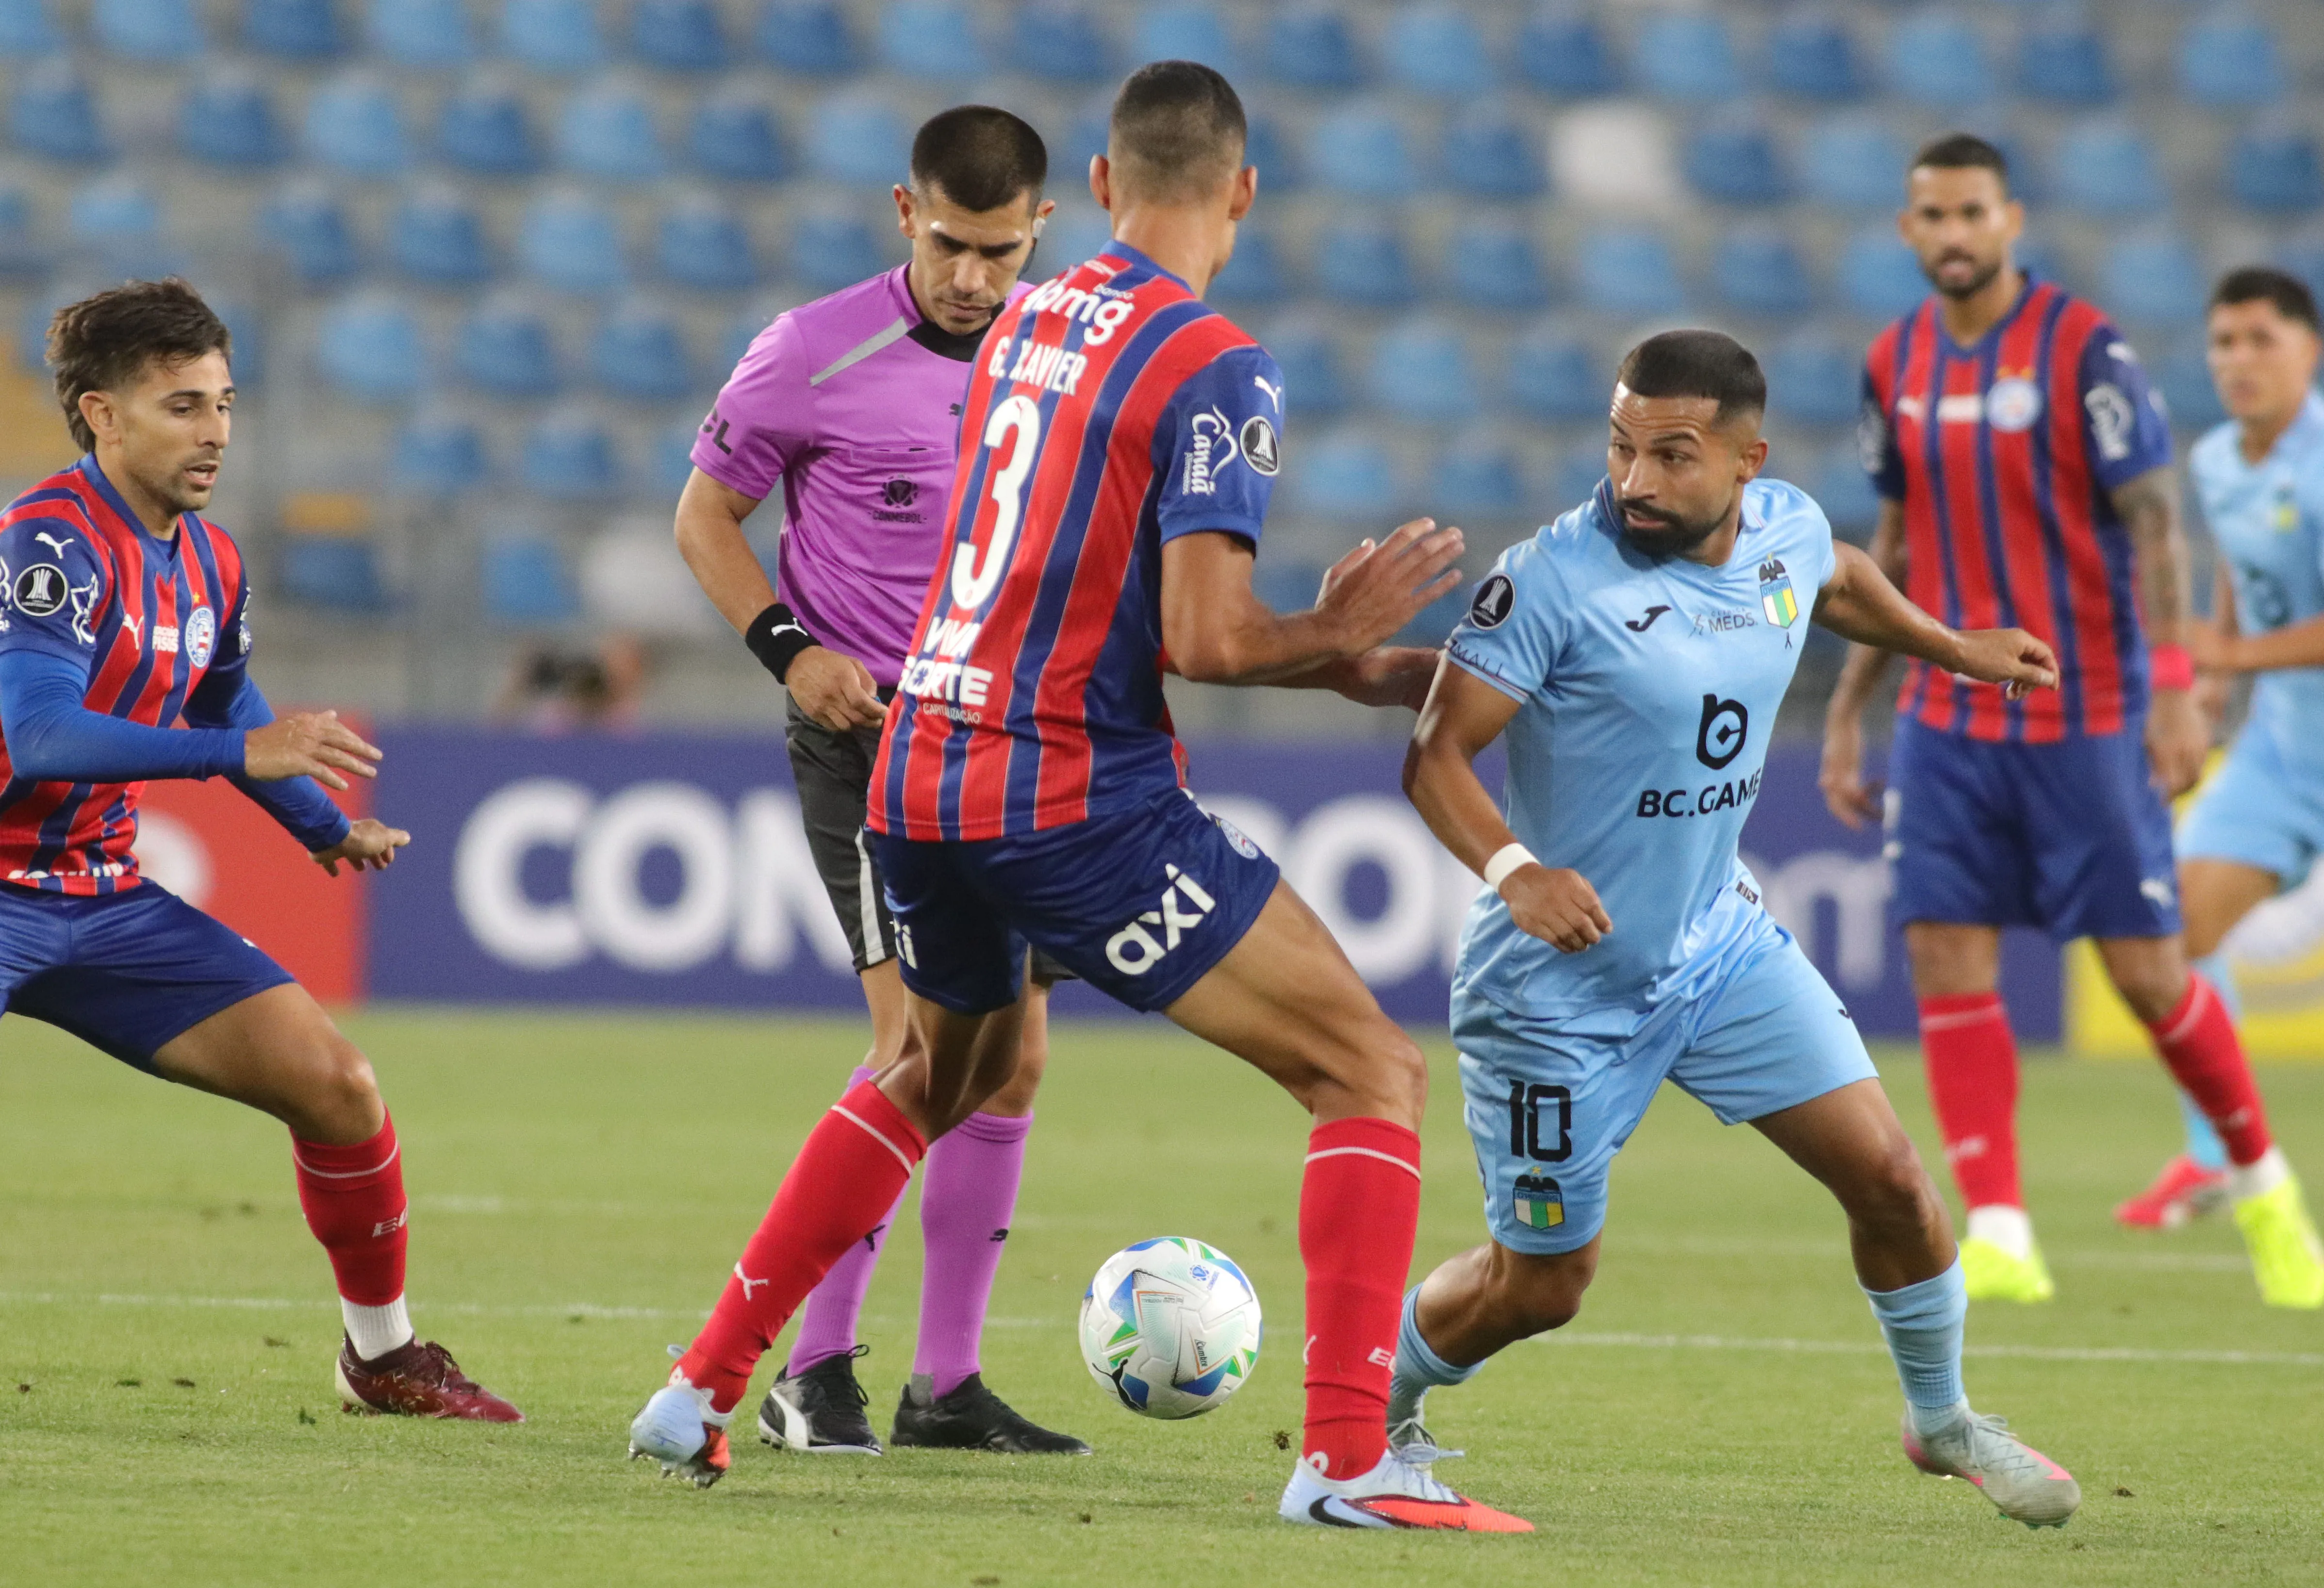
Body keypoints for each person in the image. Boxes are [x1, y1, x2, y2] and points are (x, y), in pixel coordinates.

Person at [633, 60, 1529, 1534]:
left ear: (1097, 193)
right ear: (1241, 193)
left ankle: (699, 1389)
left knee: (939, 1072)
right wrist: (1330, 622)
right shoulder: (1214, 363)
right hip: (1067, 797)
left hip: (919, 772)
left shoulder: (1031, 324)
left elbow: (1076, 590)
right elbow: (1202, 639)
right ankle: (1349, 1459)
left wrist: (1339, 667)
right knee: (1370, 1072)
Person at [1390, 328, 2079, 1529]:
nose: (1637, 481)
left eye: (1673, 454)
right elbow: (1436, 751)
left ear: (1748, 459)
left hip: (1718, 952)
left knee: (1898, 1186)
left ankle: (1943, 1419)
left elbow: (1841, 577)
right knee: (1542, 1287)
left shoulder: (1786, 528)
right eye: (1620, 447)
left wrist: (1953, 648)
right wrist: (1515, 868)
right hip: (1554, 992)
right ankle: (1374, 1410)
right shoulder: (1552, 579)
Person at [1817, 133, 2324, 1308]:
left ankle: (2260, 1175)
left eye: (1972, 213)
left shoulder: (2082, 346)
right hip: (1946, 710)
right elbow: (1888, 548)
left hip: (2087, 707)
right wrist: (1853, 707)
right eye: (1932, 215)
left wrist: (2172, 687)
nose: (1953, 234)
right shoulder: (1890, 360)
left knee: (2150, 976)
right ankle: (1999, 1225)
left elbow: (2155, 520)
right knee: (1946, 950)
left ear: (2012, 219)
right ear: (1908, 229)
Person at [0, 279, 517, 1419]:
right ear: (102, 415)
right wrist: (245, 757)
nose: (218, 432)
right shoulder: (46, 545)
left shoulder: (211, 563)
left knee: (338, 1086)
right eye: (183, 405)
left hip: (100, 893)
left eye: (226, 403)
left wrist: (329, 833)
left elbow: (231, 706)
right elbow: (38, 734)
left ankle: (380, 1358)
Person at [672, 104, 1084, 1456]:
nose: (973, 278)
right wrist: (790, 652)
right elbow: (703, 516)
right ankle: (815, 1365)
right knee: (916, 1046)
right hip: (868, 750)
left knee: (1011, 1062)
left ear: (1043, 231)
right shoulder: (811, 349)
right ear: (903, 215)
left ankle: (944, 1386)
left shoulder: (1064, 355)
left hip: (1015, 754)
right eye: (952, 245)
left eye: (1000, 251)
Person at [2109, 266, 2324, 1305]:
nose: (2239, 360)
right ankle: (2217, 1154)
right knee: (2174, 937)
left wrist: (2230, 653)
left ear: (2309, 351)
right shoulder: (2217, 458)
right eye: (2224, 342)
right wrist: (2209, 690)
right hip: (2282, 756)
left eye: (2262, 339)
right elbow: (2235, 585)